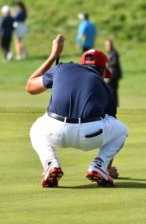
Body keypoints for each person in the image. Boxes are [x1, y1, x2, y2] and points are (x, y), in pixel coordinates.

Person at [26, 34, 128, 188]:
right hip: (90, 136)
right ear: (102, 71)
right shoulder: (106, 88)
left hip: (56, 132)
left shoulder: (61, 68)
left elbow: (30, 87)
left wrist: (53, 56)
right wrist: (108, 168)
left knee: (36, 129)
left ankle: (51, 163)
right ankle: (99, 166)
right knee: (121, 130)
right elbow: (111, 128)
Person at [105, 39, 123, 106]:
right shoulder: (110, 52)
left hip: (114, 75)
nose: (107, 46)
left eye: (108, 45)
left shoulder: (114, 53)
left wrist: (107, 63)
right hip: (113, 74)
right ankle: (114, 105)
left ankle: (114, 104)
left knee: (112, 89)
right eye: (106, 45)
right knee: (113, 90)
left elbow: (114, 62)